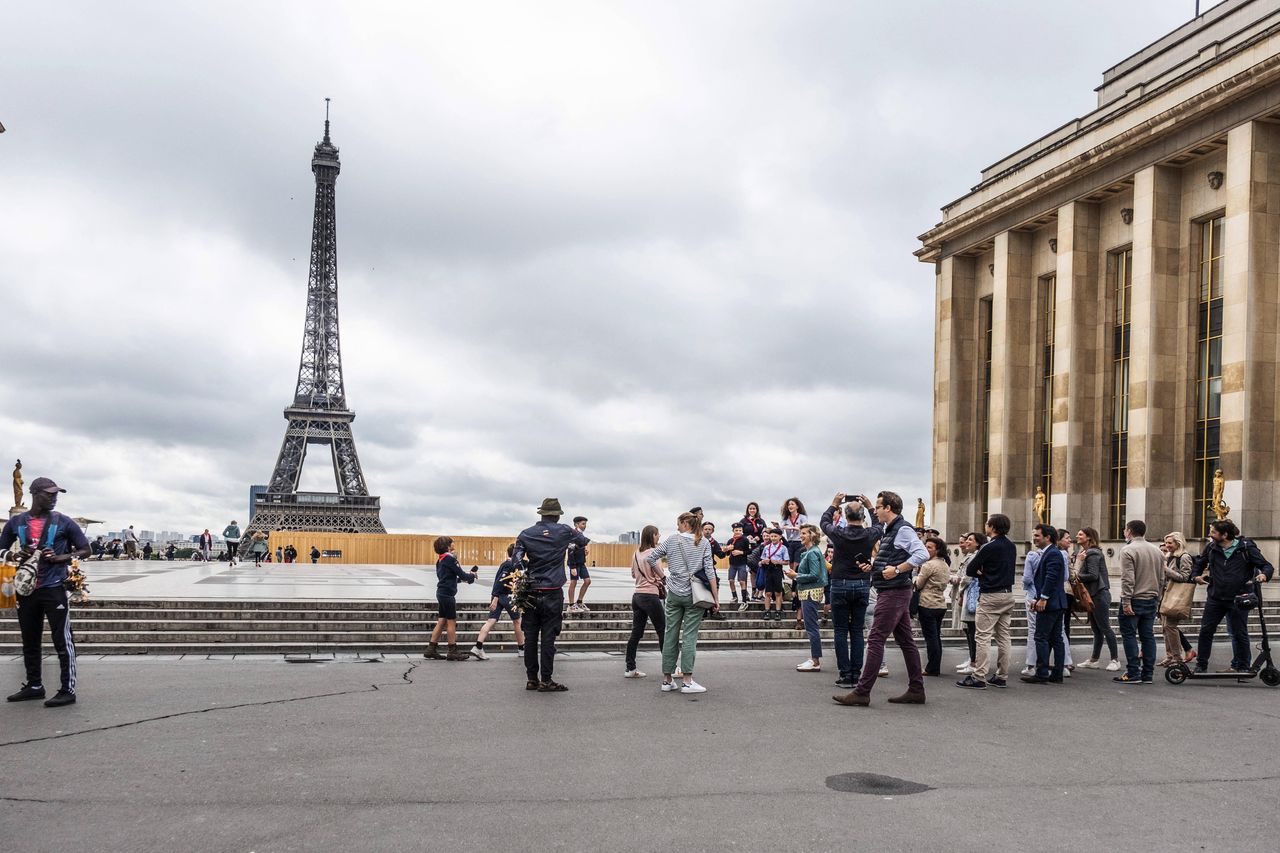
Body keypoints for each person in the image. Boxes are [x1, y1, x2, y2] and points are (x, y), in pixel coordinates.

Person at [1, 476, 91, 707]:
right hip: (26, 588)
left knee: (62, 639)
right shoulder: (17, 522)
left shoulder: (64, 522)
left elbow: (85, 549)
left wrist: (63, 557)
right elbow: (1, 548)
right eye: (49, 494)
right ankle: (34, 685)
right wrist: (12, 555)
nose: (54, 498)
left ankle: (67, 689)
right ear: (35, 494)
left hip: (54, 588)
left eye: (56, 494)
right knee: (29, 639)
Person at [833, 491, 927, 708]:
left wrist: (896, 570)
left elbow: (922, 554)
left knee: (876, 640)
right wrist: (874, 567)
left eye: (878, 506)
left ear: (889, 508)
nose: (875, 510)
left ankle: (862, 692)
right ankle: (916, 689)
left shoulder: (902, 529)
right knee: (906, 642)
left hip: (893, 591)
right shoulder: (892, 530)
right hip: (895, 590)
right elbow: (895, 558)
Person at [512, 498, 590, 692]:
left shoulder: (526, 534)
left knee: (530, 637)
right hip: (553, 592)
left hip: (530, 592)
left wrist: (528, 570)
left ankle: (532, 679)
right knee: (548, 638)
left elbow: (516, 561)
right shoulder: (564, 530)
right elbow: (582, 541)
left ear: (541, 514)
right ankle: (546, 680)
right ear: (557, 515)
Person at [1191, 518, 1274, 673]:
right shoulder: (1211, 548)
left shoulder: (1245, 548)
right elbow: (1199, 563)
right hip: (1216, 597)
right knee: (1206, 630)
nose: (1210, 534)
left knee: (1239, 632)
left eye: (1213, 532)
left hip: (1239, 598)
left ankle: (1242, 666)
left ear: (1225, 535)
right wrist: (1196, 576)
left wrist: (1264, 575)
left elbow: (1267, 565)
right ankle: (1201, 664)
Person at [647, 512, 716, 694]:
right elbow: (710, 571)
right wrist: (715, 598)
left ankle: (667, 679)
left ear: (685, 523)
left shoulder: (672, 540)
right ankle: (687, 680)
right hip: (694, 594)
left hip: (674, 593)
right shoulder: (703, 543)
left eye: (678, 523)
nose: (677, 527)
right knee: (690, 636)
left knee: (670, 633)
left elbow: (650, 558)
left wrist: (664, 577)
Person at [821, 493, 879, 690]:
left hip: (840, 582)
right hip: (862, 584)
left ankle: (845, 674)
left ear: (845, 517)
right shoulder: (870, 534)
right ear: (863, 517)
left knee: (840, 630)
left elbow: (824, 522)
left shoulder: (839, 533)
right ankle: (856, 673)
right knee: (857, 631)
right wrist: (871, 507)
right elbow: (879, 525)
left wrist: (834, 503)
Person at [956, 513, 1017, 690]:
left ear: (992, 527)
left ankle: (979, 676)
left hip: (990, 594)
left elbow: (971, 569)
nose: (985, 526)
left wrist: (982, 572)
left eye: (987, 524)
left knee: (982, 636)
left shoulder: (988, 547)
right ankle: (1001, 675)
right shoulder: (1011, 546)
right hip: (1007, 593)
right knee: (1003, 636)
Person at [1115, 519, 1164, 684]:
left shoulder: (1128, 550)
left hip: (1135, 598)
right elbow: (1162, 578)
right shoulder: (1157, 551)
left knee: (1129, 635)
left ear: (1129, 531)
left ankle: (1133, 672)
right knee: (1148, 636)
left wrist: (1126, 601)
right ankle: (1147, 674)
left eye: (1125, 530)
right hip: (1151, 597)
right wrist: (1158, 598)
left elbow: (1128, 578)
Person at [1021, 524, 1069, 684]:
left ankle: (1042, 673)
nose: (1034, 538)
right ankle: (1057, 674)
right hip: (1057, 602)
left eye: (1037, 536)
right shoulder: (1053, 553)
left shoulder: (1053, 554)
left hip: (1050, 603)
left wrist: (1043, 598)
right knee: (1056, 638)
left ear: (1047, 537)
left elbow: (1051, 577)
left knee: (1041, 637)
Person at [424, 536, 478, 661]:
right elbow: (463, 575)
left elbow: (448, 577)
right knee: (451, 621)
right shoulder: (449, 558)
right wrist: (472, 575)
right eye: (452, 542)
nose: (454, 543)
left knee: (441, 620)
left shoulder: (440, 559)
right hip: (448, 595)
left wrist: (465, 579)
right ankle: (452, 650)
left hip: (441, 593)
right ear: (448, 546)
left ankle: (431, 649)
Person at [1074, 527, 1120, 671]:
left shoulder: (1093, 554)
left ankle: (1115, 660)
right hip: (1094, 595)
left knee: (1105, 628)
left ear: (1089, 537)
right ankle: (1094, 660)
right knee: (1097, 629)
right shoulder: (1087, 553)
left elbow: (1093, 575)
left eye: (1080, 534)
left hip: (1098, 595)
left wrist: (1076, 575)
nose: (1077, 535)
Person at [471, 544, 525, 661]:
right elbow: (501, 580)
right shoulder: (511, 564)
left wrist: (495, 597)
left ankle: (478, 646)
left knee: (491, 621)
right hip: (507, 596)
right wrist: (496, 598)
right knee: (517, 621)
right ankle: (521, 649)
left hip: (498, 595)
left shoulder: (505, 563)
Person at [624, 525, 665, 678]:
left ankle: (630, 668)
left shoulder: (636, 553)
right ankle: (671, 667)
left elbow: (634, 575)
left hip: (637, 596)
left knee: (636, 633)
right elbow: (661, 575)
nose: (659, 536)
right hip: (650, 596)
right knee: (662, 631)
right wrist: (657, 580)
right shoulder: (653, 553)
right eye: (658, 534)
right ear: (653, 535)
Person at [787, 524, 828, 672]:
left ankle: (815, 661)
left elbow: (815, 575)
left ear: (812, 535)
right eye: (801, 533)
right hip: (809, 591)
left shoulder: (812, 553)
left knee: (811, 627)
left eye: (804, 533)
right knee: (811, 626)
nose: (801, 536)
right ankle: (814, 659)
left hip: (810, 592)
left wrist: (796, 576)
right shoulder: (812, 551)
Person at [1158, 532, 1196, 667]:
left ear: (1178, 543)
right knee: (1164, 627)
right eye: (1166, 543)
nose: (1167, 545)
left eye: (1170, 543)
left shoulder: (1184, 557)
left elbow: (1184, 577)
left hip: (1176, 596)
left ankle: (1177, 658)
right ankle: (1170, 656)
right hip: (1165, 595)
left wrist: (1166, 570)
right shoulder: (1168, 556)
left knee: (1170, 626)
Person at [914, 536, 951, 677]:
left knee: (931, 638)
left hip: (927, 603)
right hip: (940, 603)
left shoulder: (928, 565)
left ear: (938, 550)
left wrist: (915, 578)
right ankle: (935, 665)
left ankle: (932, 667)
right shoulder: (945, 564)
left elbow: (918, 584)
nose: (926, 549)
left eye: (929, 547)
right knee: (936, 637)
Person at [951, 531, 986, 674]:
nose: (967, 542)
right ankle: (972, 659)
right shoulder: (972, 556)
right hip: (969, 594)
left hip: (971, 595)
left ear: (978, 543)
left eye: (970, 540)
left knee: (972, 630)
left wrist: (960, 591)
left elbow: (967, 577)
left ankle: (974, 661)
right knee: (969, 629)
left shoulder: (975, 556)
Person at [1020, 525, 1049, 677]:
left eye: (1037, 535)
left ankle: (1031, 665)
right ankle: (1064, 664)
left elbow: (1026, 578)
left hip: (1033, 595)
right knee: (1056, 633)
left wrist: (1025, 587)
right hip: (1048, 596)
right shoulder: (1059, 554)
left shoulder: (1032, 556)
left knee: (1033, 631)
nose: (1034, 538)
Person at [758, 528, 790, 621]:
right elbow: (761, 560)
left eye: (775, 536)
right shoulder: (766, 547)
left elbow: (786, 562)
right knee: (768, 592)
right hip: (768, 569)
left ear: (780, 537)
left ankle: (778, 611)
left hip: (777, 569)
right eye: (771, 536)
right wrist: (764, 561)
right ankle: (767, 610)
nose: (773, 538)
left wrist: (778, 562)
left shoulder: (783, 548)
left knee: (778, 592)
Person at [566, 516, 590, 614]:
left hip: (581, 562)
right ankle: (571, 605)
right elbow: (570, 550)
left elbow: (577, 548)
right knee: (573, 582)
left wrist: (584, 552)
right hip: (574, 563)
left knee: (587, 581)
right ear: (576, 524)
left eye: (585, 524)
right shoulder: (573, 534)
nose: (585, 526)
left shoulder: (580, 534)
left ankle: (579, 601)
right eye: (583, 524)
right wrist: (572, 567)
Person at [724, 523, 751, 610]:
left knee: (742, 581)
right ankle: (734, 596)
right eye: (736, 530)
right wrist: (727, 549)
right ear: (733, 531)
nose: (738, 532)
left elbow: (749, 551)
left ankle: (744, 601)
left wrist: (741, 552)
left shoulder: (745, 540)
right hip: (732, 564)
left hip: (742, 564)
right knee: (731, 580)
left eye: (740, 530)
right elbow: (727, 554)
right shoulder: (730, 541)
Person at [779, 498, 808, 567]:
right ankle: (793, 578)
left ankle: (797, 577)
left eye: (792, 504)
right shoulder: (785, 519)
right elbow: (781, 531)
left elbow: (805, 528)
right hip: (789, 543)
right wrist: (778, 527)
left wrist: (791, 527)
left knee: (797, 564)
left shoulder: (802, 517)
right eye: (789, 504)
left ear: (797, 506)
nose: (790, 506)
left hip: (799, 542)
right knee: (791, 564)